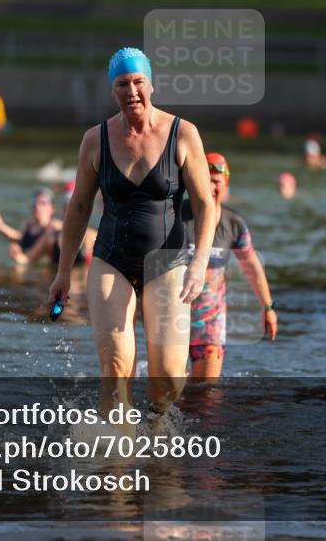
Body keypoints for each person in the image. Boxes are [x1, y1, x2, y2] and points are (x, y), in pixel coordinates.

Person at [47, 47, 215, 421]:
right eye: (122, 83)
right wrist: (61, 273)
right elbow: (78, 208)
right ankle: (117, 455)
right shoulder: (96, 139)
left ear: (152, 85)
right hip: (111, 260)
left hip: (167, 261)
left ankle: (155, 424)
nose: (132, 91)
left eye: (139, 81)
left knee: (169, 376)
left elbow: (206, 204)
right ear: (112, 91)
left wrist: (200, 262)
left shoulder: (183, 133)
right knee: (116, 366)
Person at [182, 153, 278, 381]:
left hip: (209, 321)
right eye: (207, 180)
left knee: (206, 392)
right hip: (172, 315)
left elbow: (251, 266)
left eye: (217, 181)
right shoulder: (175, 215)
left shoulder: (233, 223)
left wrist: (268, 307)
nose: (212, 186)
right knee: (169, 390)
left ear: (225, 184)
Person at [0, 188, 63, 266]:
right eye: (35, 202)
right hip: (26, 259)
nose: (37, 206)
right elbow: (20, 237)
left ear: (52, 208)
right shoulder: (28, 223)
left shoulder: (55, 228)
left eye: (43, 203)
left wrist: (18, 256)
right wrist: (0, 226)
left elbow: (27, 260)